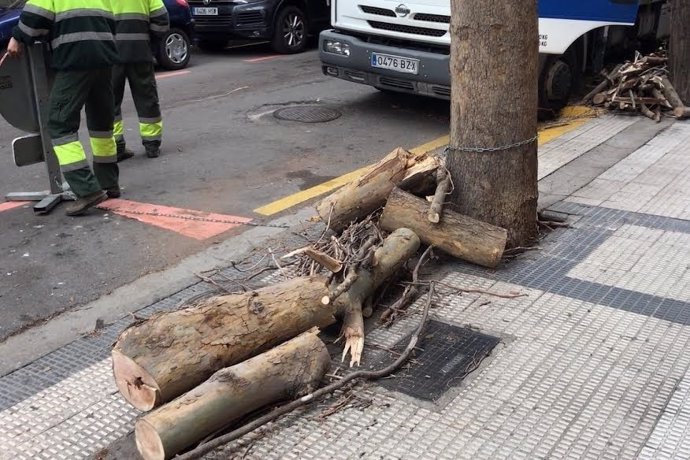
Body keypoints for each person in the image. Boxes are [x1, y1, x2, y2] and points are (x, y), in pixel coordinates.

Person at [8, 0, 120, 216]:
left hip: (75, 57)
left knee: (59, 125)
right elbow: (111, 21)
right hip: (104, 57)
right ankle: (109, 182)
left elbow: (35, 18)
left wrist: (17, 37)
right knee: (101, 125)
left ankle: (87, 190)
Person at [112, 0, 169, 161]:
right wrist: (149, 42)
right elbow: (162, 19)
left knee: (109, 102)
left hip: (110, 55)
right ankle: (152, 145)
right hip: (140, 52)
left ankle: (116, 148)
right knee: (147, 98)